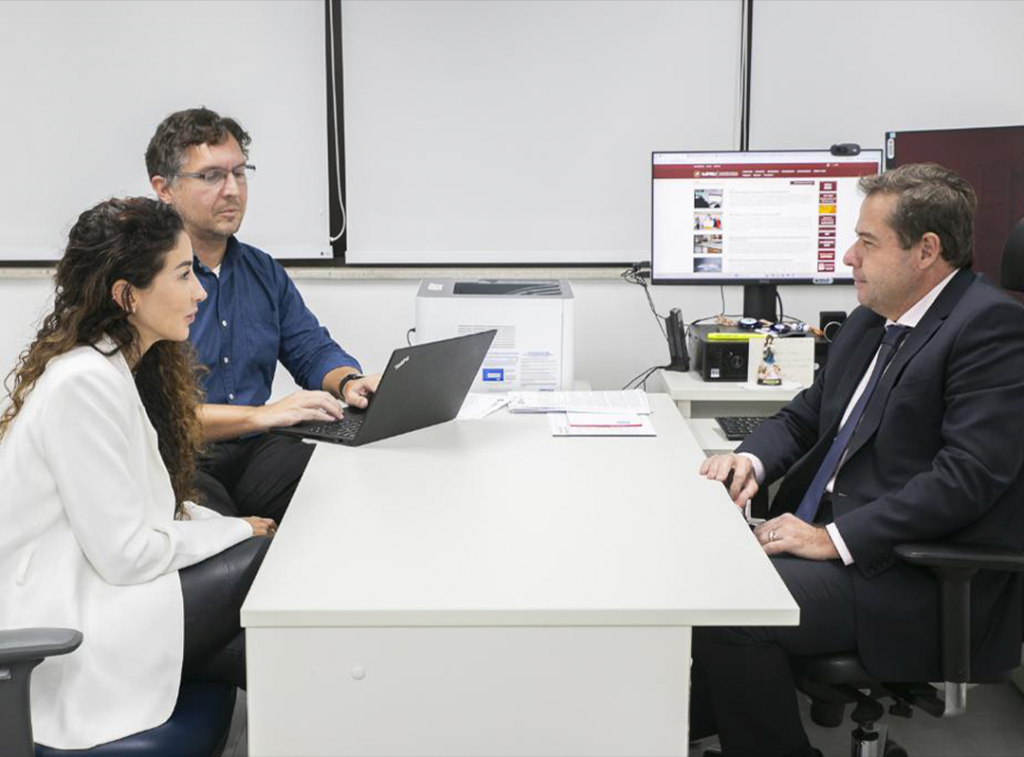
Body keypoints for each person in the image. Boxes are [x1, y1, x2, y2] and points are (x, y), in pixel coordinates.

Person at [693, 163, 1024, 757]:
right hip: (837, 543)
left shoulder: (991, 327)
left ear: (926, 250)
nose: (850, 256)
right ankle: (651, 730)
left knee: (732, 607)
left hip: (908, 574)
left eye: (868, 242)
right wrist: (750, 461)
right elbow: (805, 415)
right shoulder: (873, 319)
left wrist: (831, 539)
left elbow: (967, 478)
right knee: (691, 571)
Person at [0, 198, 277, 749]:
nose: (200, 293)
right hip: (71, 617)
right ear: (128, 295)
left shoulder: (112, 368)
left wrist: (229, 526)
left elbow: (151, 506)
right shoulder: (82, 383)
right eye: (183, 275)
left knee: (263, 641)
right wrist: (236, 531)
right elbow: (125, 554)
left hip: (103, 593)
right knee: (264, 563)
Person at [145, 107, 380, 523]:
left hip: (257, 448)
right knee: (224, 540)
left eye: (239, 173)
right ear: (164, 188)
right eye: (211, 176)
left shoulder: (262, 271)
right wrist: (262, 415)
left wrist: (349, 382)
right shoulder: (147, 281)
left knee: (347, 495)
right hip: (179, 455)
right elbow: (154, 415)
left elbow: (311, 350)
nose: (232, 190)